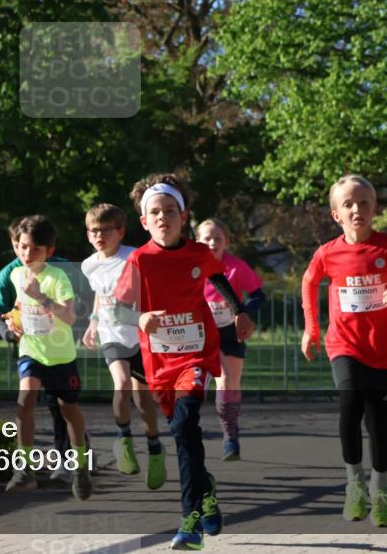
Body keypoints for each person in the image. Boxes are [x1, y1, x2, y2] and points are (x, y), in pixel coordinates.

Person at [112, 174, 255, 550]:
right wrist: (138, 319)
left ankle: (189, 520)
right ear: (145, 222)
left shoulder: (198, 253)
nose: (163, 218)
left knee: (188, 420)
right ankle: (205, 486)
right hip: (159, 362)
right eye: (155, 212)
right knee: (182, 433)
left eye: (170, 211)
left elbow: (219, 278)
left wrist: (239, 311)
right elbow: (118, 309)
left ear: (183, 215)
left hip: (196, 355)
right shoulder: (139, 261)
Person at [301, 174, 387, 528]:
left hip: (383, 350)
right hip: (344, 344)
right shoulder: (328, 252)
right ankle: (354, 484)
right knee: (350, 402)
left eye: (364, 203)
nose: (357, 209)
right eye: (348, 204)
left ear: (375, 208)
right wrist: (311, 328)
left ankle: (380, 487)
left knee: (377, 421)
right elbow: (309, 282)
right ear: (336, 214)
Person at [0, 218, 86, 482]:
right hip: (31, 350)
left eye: (34, 249)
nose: (26, 254)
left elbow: (70, 316)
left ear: (49, 251)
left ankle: (79, 461)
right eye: (22, 247)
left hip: (61, 354)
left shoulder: (59, 275)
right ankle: (24, 466)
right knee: (25, 401)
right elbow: (11, 307)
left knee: (67, 410)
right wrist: (12, 322)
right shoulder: (15, 273)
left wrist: (42, 297)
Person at [80, 203, 166, 489]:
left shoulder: (134, 257)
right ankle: (123, 438)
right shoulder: (89, 264)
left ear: (120, 232)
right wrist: (93, 322)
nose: (99, 235)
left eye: (105, 230)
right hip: (111, 333)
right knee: (121, 384)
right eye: (93, 230)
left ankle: (154, 447)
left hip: (139, 335)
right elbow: (98, 296)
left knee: (143, 399)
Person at [196, 219, 265, 461]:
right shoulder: (191, 267)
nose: (212, 243)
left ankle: (230, 434)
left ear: (227, 242)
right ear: (197, 241)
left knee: (229, 382)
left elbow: (259, 296)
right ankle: (190, 431)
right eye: (207, 238)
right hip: (199, 332)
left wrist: (242, 311)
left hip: (230, 331)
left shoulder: (236, 267)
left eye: (218, 238)